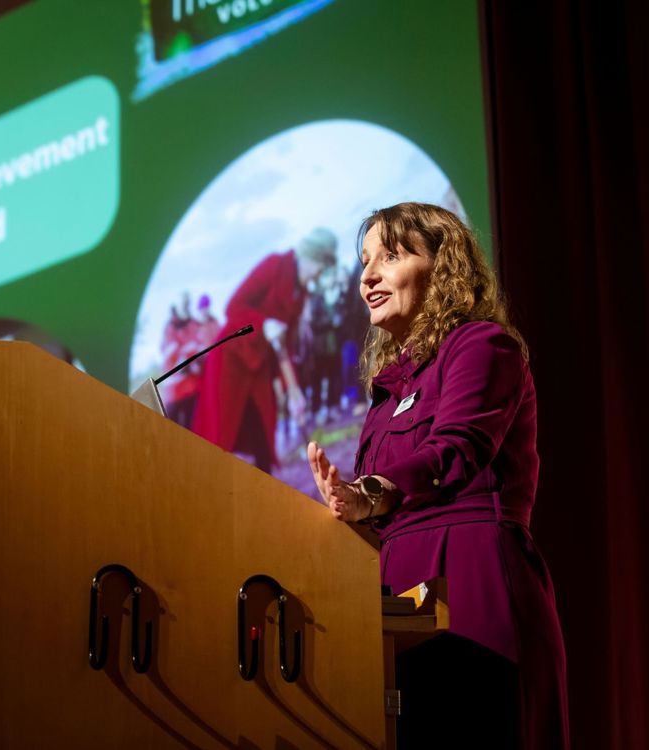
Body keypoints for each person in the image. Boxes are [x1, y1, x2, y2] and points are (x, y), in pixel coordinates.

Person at [307, 202, 568, 748]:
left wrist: (367, 494)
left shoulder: (482, 345)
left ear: (442, 265)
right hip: (394, 601)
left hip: (470, 579)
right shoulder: (386, 394)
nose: (367, 277)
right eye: (364, 262)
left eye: (389, 257)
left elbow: (456, 449)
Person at [193, 227, 337, 470]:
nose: (319, 274)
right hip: (231, 362)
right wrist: (262, 324)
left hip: (259, 369)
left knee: (261, 433)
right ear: (310, 256)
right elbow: (233, 307)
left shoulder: (300, 294)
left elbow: (285, 347)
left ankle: (263, 485)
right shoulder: (274, 266)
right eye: (321, 267)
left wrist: (294, 392)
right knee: (222, 435)